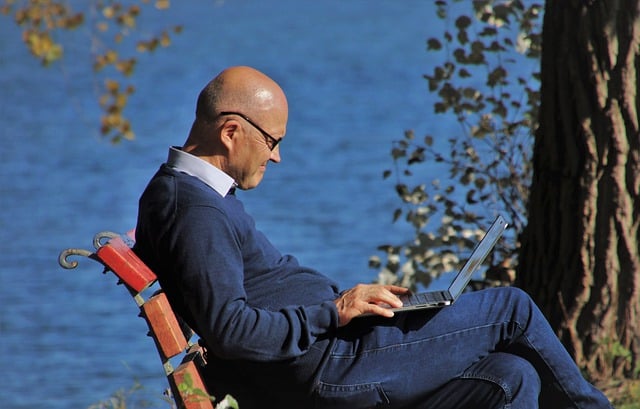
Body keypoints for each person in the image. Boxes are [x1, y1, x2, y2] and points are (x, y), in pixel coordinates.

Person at [134, 66, 612, 409]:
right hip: (333, 366)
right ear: (232, 131)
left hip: (333, 355)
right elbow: (231, 329)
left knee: (509, 377)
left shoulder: (185, 195)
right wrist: (334, 312)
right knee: (512, 309)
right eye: (273, 142)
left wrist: (344, 307)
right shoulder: (195, 209)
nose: (276, 158)